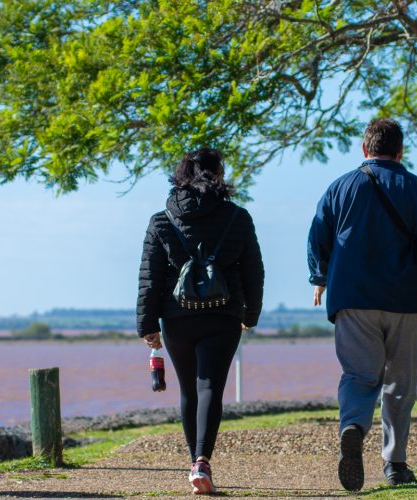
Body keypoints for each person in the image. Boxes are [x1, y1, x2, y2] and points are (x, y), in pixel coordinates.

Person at [307, 118, 417, 491]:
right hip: (403, 301)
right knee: (400, 383)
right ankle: (395, 463)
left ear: (364, 149)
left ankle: (353, 427)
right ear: (400, 151)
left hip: (352, 300)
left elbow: (318, 235)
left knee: (359, 375)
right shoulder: (416, 189)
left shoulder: (340, 187)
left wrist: (320, 278)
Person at [137, 148, 264, 495]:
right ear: (218, 176)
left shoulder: (161, 220)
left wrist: (147, 324)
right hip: (224, 314)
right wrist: (250, 314)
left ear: (180, 176)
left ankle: (195, 461)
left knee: (189, 389)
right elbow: (253, 270)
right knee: (211, 387)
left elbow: (150, 276)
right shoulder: (237, 217)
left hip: (176, 317)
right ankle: (202, 462)